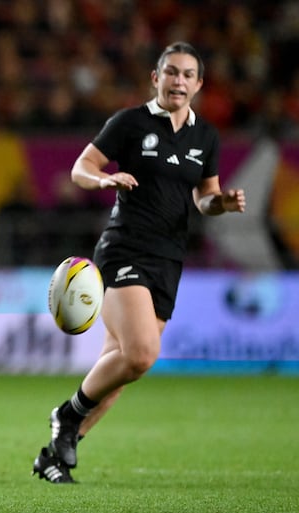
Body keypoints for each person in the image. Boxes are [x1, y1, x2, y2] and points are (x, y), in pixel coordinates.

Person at [31, 42, 246, 484]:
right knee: (143, 352)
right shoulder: (130, 123)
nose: (179, 81)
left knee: (120, 370)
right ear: (156, 78)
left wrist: (220, 202)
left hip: (170, 259)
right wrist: (104, 178)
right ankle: (66, 416)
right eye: (171, 72)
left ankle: (54, 456)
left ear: (199, 84)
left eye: (188, 75)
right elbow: (80, 168)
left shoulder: (205, 137)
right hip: (124, 250)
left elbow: (204, 198)